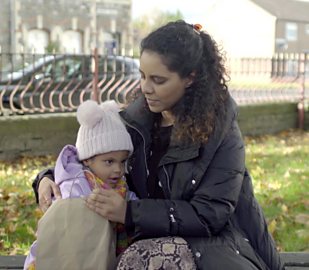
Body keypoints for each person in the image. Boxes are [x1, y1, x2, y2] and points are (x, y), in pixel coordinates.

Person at [32, 21, 284, 270]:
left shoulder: (221, 134)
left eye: (158, 80)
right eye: (142, 76)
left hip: (216, 249)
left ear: (190, 78)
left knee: (140, 260)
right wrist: (46, 178)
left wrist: (130, 213)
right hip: (148, 244)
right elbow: (93, 154)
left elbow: (209, 215)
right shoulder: (134, 123)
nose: (146, 88)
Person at [24, 100, 138, 270]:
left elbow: (132, 202)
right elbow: (67, 219)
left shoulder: (120, 186)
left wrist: (132, 210)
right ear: (87, 159)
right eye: (109, 161)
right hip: (68, 254)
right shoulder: (75, 184)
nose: (118, 169)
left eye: (122, 161)